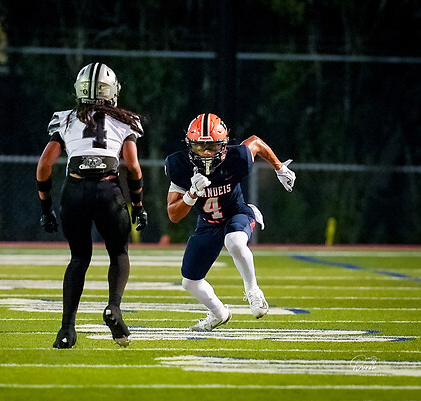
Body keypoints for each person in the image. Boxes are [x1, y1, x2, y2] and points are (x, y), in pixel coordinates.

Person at [36, 62, 148, 348]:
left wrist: (46, 209)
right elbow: (133, 167)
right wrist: (138, 205)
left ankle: (66, 329)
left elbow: (44, 165)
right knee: (119, 253)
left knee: (78, 258)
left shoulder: (65, 119)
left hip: (74, 191)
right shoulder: (125, 121)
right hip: (108, 191)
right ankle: (113, 308)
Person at [165, 113, 295, 331]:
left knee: (234, 241)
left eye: (212, 147)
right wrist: (191, 194)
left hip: (236, 213)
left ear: (224, 145)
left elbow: (255, 142)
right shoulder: (180, 166)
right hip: (207, 223)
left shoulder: (237, 158)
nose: (206, 153)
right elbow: (173, 215)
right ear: (190, 145)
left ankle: (253, 291)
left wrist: (279, 167)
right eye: (200, 147)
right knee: (189, 282)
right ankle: (218, 313)